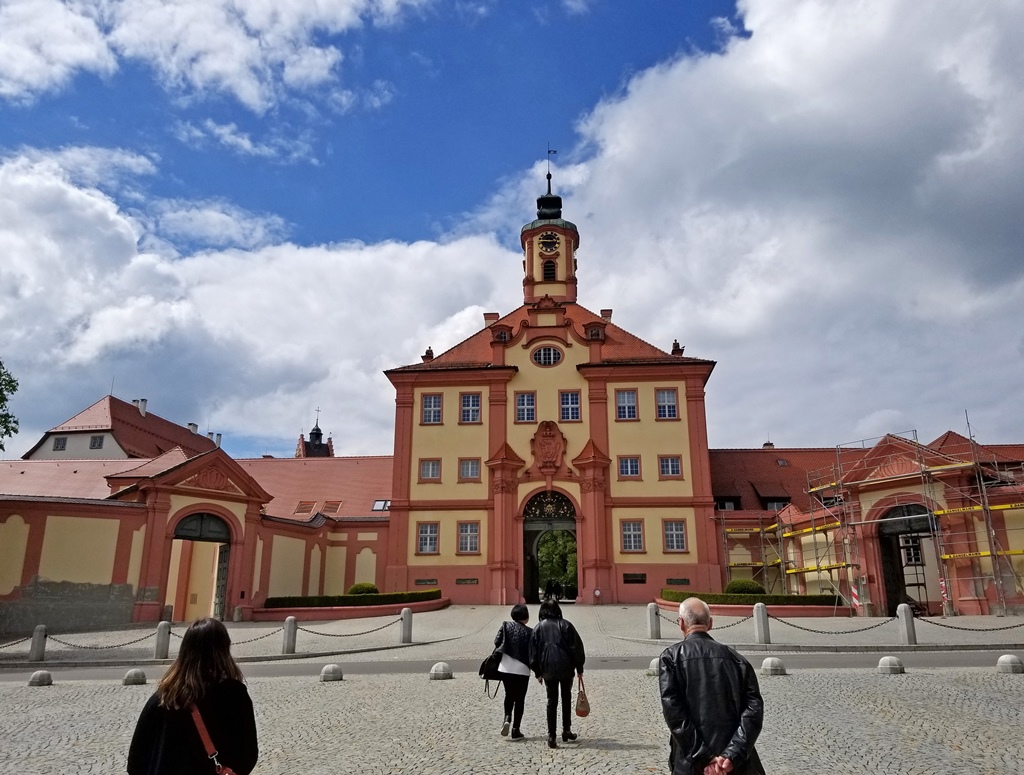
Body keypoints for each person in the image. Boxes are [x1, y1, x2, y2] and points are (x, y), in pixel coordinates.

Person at [128, 617, 258, 775]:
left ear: (185, 650)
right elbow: (248, 755)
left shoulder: (165, 697)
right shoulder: (234, 694)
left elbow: (136, 760)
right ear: (224, 650)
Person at [659, 598, 764, 775]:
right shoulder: (737, 659)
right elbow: (753, 710)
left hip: (690, 763)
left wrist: (704, 757)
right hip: (735, 766)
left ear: (681, 623)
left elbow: (675, 714)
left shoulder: (671, 658)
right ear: (710, 623)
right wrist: (731, 755)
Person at [528, 597, 585, 749]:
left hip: (547, 668)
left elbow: (533, 653)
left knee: (551, 701)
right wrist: (579, 668)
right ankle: (566, 730)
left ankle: (551, 735)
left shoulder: (538, 628)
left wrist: (537, 672)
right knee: (566, 698)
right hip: (566, 667)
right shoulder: (566, 625)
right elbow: (577, 648)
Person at [493, 603, 533, 740]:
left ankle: (507, 717)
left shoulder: (505, 626)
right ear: (526, 617)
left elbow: (497, 641)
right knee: (520, 699)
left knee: (509, 695)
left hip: (506, 666)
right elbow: (533, 653)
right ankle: (516, 729)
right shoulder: (530, 632)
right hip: (523, 669)